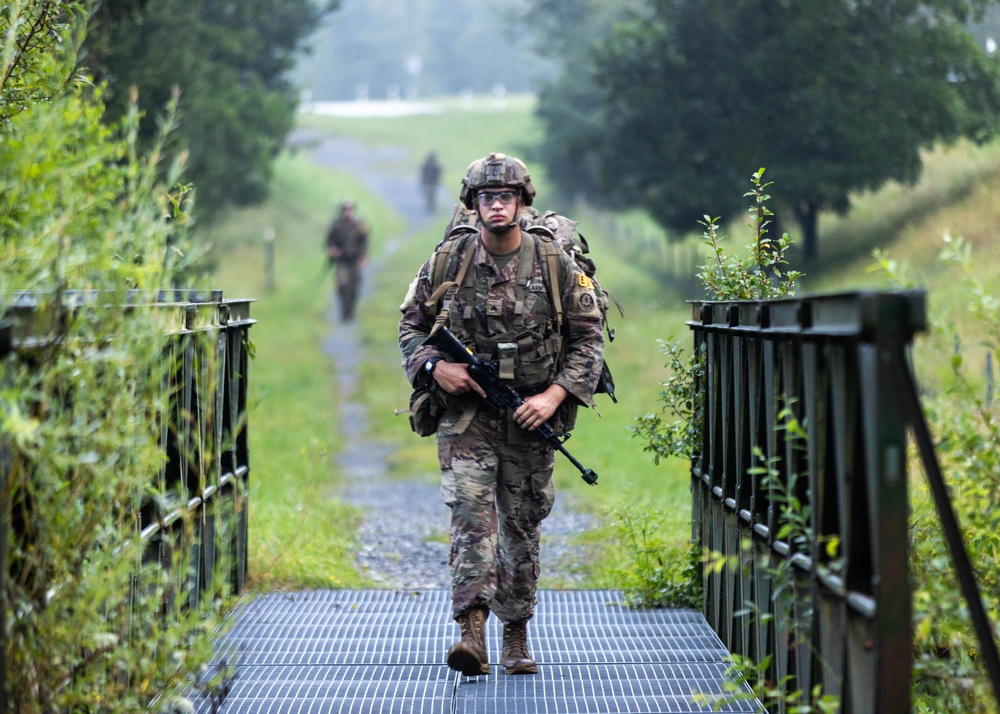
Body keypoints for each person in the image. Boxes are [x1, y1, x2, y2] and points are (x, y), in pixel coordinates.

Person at [398, 153, 605, 677]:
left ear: (521, 202)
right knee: (471, 517)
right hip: (467, 416)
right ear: (474, 204)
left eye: (505, 197)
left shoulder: (555, 263)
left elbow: (588, 339)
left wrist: (554, 397)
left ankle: (516, 634)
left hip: (532, 415)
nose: (496, 205)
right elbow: (411, 327)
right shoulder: (448, 262)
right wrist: (433, 368)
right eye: (487, 198)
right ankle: (471, 631)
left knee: (522, 524)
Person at [325, 201, 369, 321]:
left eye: (350, 210)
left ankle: (351, 310)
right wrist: (333, 250)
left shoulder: (359, 225)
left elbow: (364, 242)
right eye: (346, 210)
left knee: (354, 287)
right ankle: (344, 309)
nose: (348, 213)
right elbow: (329, 241)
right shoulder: (336, 226)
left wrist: (363, 256)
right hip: (342, 261)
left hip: (355, 261)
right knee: (343, 285)